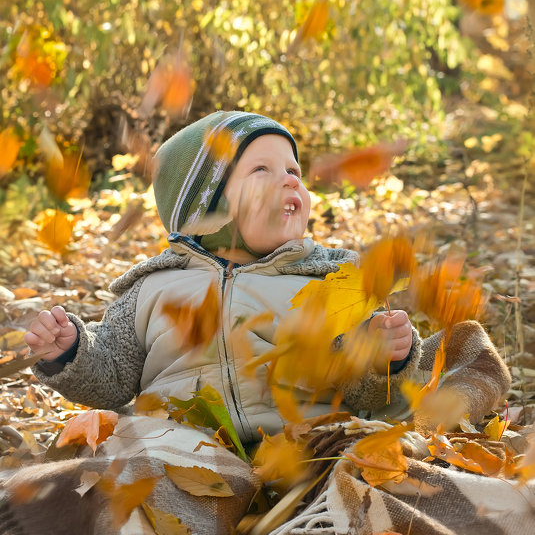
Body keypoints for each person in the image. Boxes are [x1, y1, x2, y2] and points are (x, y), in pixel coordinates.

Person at [24, 110, 510, 440]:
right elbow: (110, 379)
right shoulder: (151, 288)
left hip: (307, 442)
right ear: (204, 209)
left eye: (293, 169)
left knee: (380, 463)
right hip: (183, 443)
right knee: (136, 488)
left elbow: (359, 391)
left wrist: (378, 356)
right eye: (262, 169)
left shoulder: (330, 280)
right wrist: (71, 350)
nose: (291, 178)